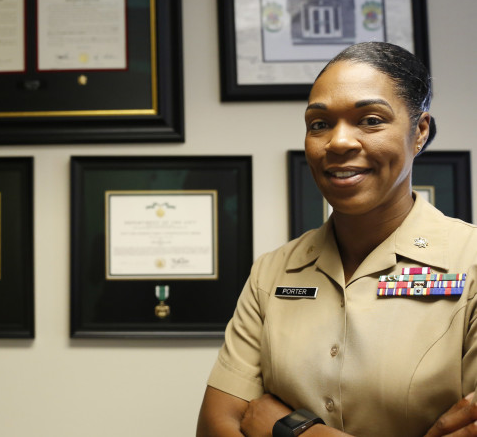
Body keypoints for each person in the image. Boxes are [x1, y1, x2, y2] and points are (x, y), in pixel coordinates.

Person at [196, 41, 477, 436]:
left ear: (420, 132)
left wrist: (294, 429)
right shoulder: (273, 272)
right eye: (320, 124)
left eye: (371, 120)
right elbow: (216, 425)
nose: (339, 142)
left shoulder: (471, 264)